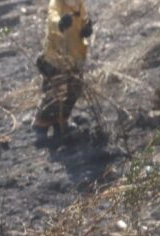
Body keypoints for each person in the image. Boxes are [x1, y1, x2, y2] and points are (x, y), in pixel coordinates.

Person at [33, 0, 93, 144]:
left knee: (75, 89)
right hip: (56, 56)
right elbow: (52, 18)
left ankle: (61, 121)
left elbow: (83, 21)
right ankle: (41, 126)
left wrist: (86, 28)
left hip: (75, 56)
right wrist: (60, 23)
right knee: (54, 93)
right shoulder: (57, 3)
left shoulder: (79, 4)